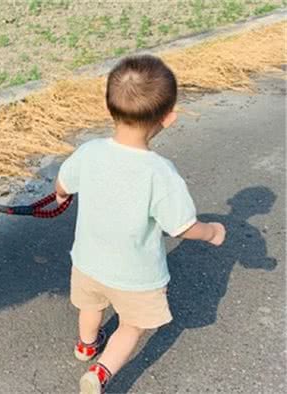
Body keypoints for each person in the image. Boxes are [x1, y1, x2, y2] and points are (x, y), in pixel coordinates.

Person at [55, 55, 226, 394]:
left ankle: (87, 346)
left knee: (90, 306)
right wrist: (211, 231)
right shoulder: (159, 172)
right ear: (169, 118)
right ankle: (100, 373)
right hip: (136, 277)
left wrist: (60, 196)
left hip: (88, 262)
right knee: (131, 327)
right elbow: (181, 227)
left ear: (109, 107)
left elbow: (63, 183)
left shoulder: (89, 152)